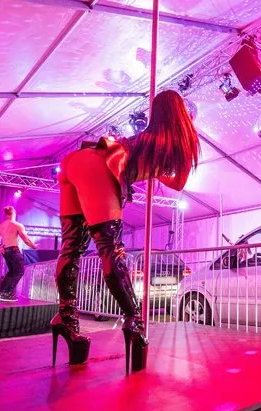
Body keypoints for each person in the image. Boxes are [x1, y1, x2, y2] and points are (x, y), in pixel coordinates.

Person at [53, 90, 199, 373]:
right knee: (110, 247)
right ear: (181, 115)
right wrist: (157, 168)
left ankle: (66, 320)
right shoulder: (174, 143)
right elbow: (179, 182)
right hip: (99, 165)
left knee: (71, 247)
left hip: (77, 160)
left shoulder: (145, 140)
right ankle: (134, 321)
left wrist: (150, 166)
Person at [0, 206, 38, 302]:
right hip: (13, 251)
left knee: (12, 272)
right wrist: (34, 246)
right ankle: (6, 294)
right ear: (14, 213)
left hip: (5, 251)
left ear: (6, 214)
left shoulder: (1, 225)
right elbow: (26, 239)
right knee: (19, 271)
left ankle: (1, 293)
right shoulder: (17, 225)